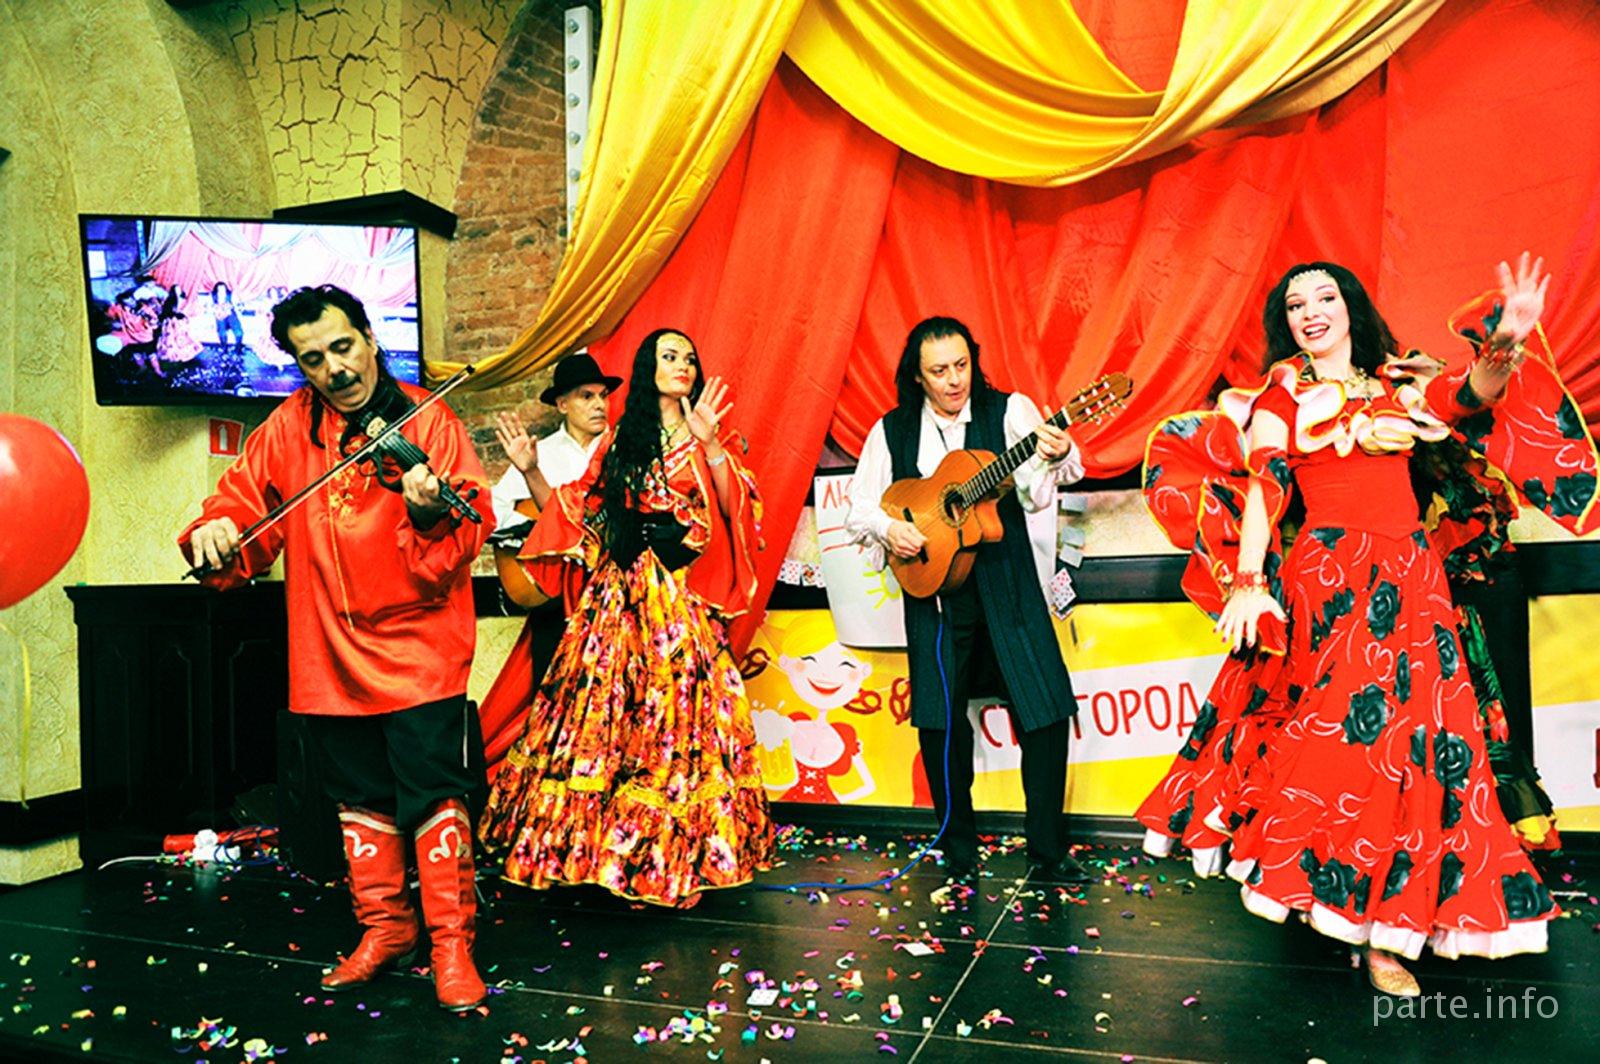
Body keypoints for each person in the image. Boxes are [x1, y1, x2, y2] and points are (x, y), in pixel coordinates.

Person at [1136, 255, 1597, 996]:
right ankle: (1347, 912)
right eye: (1296, 305)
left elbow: (1469, 395)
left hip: (1413, 580)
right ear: (1287, 324)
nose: (1311, 312)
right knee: (1350, 751)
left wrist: (1506, 339)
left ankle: (1389, 932)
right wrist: (1249, 582)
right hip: (1331, 586)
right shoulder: (1280, 398)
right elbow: (1265, 490)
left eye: (1325, 297)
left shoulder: (1395, 385)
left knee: (1426, 752)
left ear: (1350, 307)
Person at [177, 284, 495, 1011]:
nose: (335, 369)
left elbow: (462, 533)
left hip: (419, 651)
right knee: (360, 800)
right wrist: (215, 529)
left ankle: (451, 945)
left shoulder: (429, 419)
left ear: (371, 339)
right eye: (313, 359)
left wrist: (429, 514)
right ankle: (387, 930)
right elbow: (241, 504)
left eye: (343, 347)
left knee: (433, 796)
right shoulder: (290, 426)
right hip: (329, 651)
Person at [478, 328, 772, 908]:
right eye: (670, 356)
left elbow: (736, 508)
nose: (684, 365)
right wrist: (531, 471)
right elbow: (575, 513)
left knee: (677, 723)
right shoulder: (618, 441)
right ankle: (604, 857)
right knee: (604, 721)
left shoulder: (707, 432)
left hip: (678, 603)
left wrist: (712, 445)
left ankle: (672, 858)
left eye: (690, 358)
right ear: (647, 369)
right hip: (617, 602)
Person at [844, 316, 1090, 885]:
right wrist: (890, 529)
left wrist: (1057, 454)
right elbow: (860, 506)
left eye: (962, 365)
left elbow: (1040, 490)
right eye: (939, 371)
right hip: (935, 591)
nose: (954, 380)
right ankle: (957, 850)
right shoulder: (891, 430)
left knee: (1046, 711)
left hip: (1007, 581)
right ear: (917, 376)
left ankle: (1048, 851)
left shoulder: (1011, 412)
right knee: (940, 723)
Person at [476, 352, 621, 768]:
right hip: (554, 601)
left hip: (610, 598)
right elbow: (496, 515)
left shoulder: (621, 448)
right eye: (586, 396)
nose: (599, 404)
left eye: (603, 395)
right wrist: (540, 530)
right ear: (561, 404)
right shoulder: (542, 454)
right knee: (553, 697)